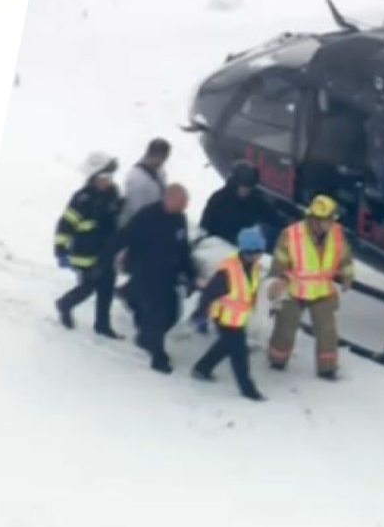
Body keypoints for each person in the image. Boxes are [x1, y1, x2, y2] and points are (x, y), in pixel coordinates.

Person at [265, 195, 355, 380]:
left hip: (322, 291)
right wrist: (275, 282)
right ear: (315, 220)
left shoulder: (336, 234)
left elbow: (345, 256)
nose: (332, 223)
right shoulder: (291, 235)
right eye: (329, 219)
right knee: (285, 328)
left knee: (327, 330)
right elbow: (279, 262)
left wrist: (347, 275)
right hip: (293, 290)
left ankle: (327, 368)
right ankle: (277, 360)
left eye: (332, 219)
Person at [116, 184, 197, 374]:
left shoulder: (179, 219)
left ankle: (144, 333)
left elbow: (183, 248)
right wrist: (107, 258)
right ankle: (158, 357)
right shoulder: (147, 216)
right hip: (146, 273)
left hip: (168, 276)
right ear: (168, 199)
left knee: (173, 314)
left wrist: (190, 274)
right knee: (157, 316)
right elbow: (124, 236)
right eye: (182, 202)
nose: (185, 206)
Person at [191, 226, 269, 401]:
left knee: (225, 346)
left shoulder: (252, 267)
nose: (261, 255)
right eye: (259, 252)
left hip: (237, 318)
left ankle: (202, 369)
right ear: (249, 252)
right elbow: (208, 294)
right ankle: (247, 388)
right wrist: (200, 314)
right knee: (239, 354)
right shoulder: (227, 272)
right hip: (225, 318)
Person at [54, 152, 123, 339]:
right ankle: (65, 304)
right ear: (93, 177)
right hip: (84, 253)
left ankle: (102, 324)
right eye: (104, 178)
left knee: (107, 286)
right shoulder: (82, 199)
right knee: (88, 287)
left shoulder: (113, 193)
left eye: (109, 177)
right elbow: (66, 224)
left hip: (106, 251)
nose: (107, 181)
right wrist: (60, 249)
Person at [200, 160, 277, 247]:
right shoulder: (219, 200)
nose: (245, 190)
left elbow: (272, 216)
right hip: (220, 246)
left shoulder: (255, 200)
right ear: (235, 183)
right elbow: (205, 227)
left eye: (249, 187)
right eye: (242, 186)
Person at [120, 138, 171, 226]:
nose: (163, 161)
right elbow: (136, 211)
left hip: (155, 219)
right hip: (137, 226)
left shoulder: (160, 171)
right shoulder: (136, 178)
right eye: (162, 157)